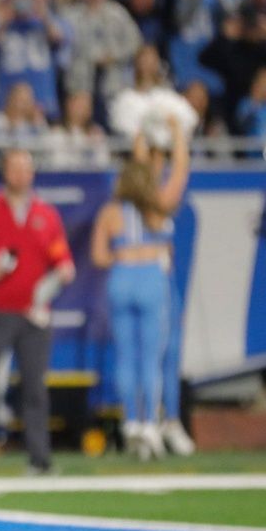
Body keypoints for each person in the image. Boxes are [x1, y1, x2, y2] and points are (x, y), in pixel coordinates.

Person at [0, 148, 75, 475]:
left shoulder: (46, 215)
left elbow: (63, 262)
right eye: (16, 168)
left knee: (35, 388)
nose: (22, 174)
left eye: (27, 168)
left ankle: (40, 458)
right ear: (5, 172)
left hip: (33, 315)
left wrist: (52, 283)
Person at [91, 118, 193, 459]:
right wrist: (177, 134)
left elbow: (99, 256)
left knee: (126, 356)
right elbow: (180, 172)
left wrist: (139, 131)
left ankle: (131, 423)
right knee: (152, 358)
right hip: (151, 279)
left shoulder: (110, 211)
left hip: (121, 278)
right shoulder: (157, 204)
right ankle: (150, 425)